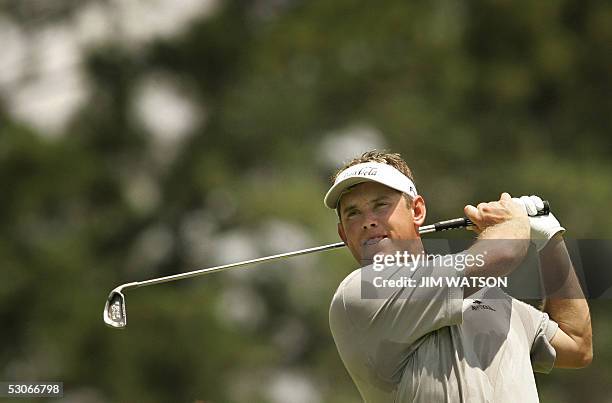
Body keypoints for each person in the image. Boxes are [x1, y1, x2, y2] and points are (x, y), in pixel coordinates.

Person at [325, 150, 592, 402]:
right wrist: (513, 223)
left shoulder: (490, 297)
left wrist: (549, 239)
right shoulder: (362, 292)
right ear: (343, 234)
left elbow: (577, 344)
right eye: (353, 213)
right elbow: (505, 253)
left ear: (417, 211)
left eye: (380, 205)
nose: (367, 220)